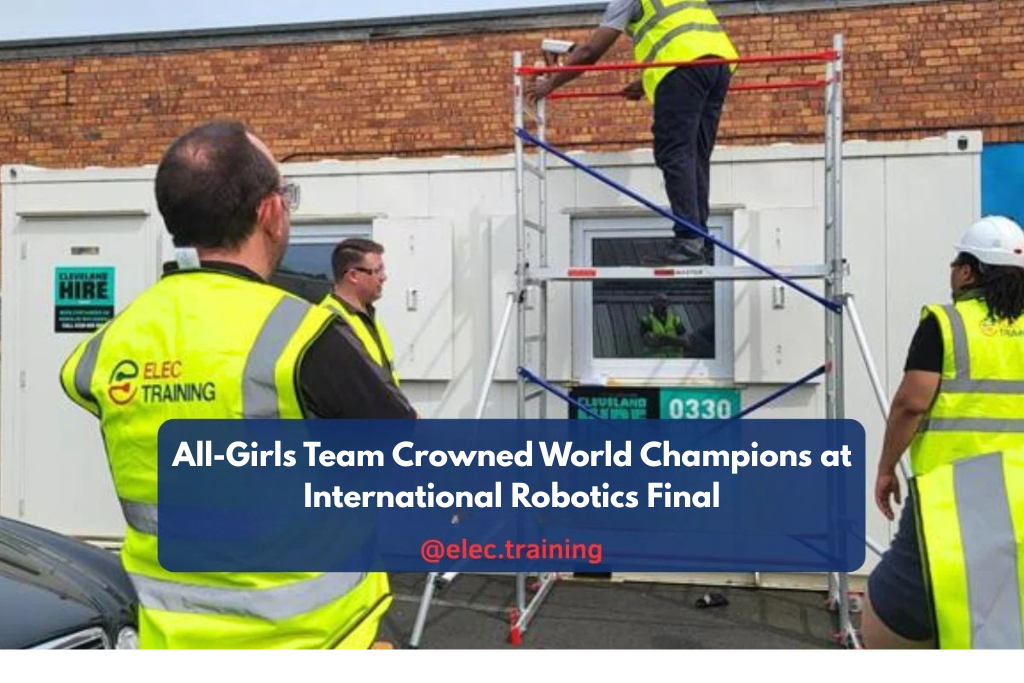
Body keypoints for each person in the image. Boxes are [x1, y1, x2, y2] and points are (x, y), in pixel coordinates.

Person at [59, 120, 416, 649]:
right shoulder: (304, 334)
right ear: (269, 212)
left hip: (169, 641)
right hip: (319, 639)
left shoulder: (109, 345)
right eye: (285, 196)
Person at [863, 216, 1024, 649]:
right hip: (1020, 496)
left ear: (969, 271)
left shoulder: (948, 323)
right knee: (1003, 612)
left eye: (956, 263)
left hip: (954, 495)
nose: (951, 272)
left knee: (885, 623)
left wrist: (885, 467)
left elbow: (912, 402)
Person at [527, 0, 738, 265]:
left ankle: (688, 241)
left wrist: (550, 84)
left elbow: (590, 52)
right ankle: (699, 240)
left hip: (683, 67)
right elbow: (681, 34)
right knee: (695, 154)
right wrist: (646, 80)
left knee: (673, 152)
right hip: (718, 66)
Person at [321, 238, 401, 387]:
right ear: (353, 276)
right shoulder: (331, 321)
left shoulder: (367, 315)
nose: (383, 277)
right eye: (377, 271)